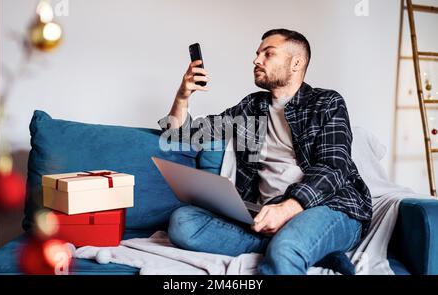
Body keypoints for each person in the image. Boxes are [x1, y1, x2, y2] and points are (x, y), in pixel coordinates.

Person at [157, 29, 372, 275]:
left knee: (286, 247)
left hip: (327, 207)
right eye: (258, 54)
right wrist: (183, 96)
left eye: (268, 54)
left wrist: (287, 208)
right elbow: (179, 136)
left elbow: (333, 168)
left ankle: (290, 246)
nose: (257, 60)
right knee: (183, 222)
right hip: (263, 213)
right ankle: (314, 250)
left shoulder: (326, 102)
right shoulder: (251, 107)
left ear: (296, 63)